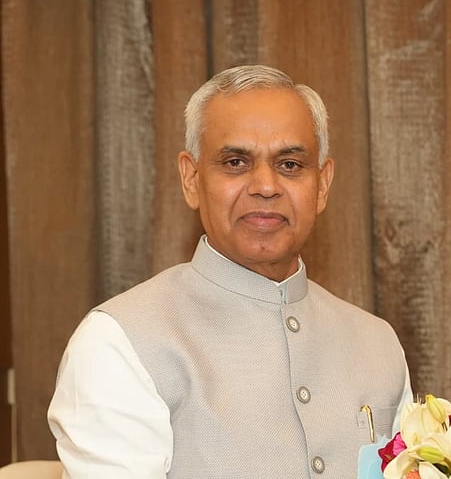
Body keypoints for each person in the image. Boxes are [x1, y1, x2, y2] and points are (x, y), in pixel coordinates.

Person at [48, 64, 413, 478]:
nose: (266, 186)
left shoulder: (378, 342)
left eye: (290, 165)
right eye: (236, 161)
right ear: (191, 178)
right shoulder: (120, 342)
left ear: (323, 184)